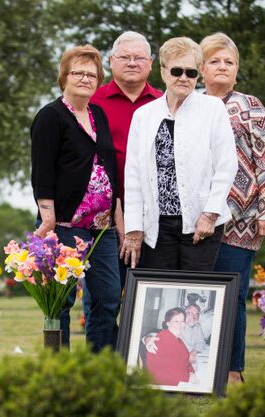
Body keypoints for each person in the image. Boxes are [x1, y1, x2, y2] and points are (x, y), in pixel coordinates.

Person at [200, 32, 265, 384]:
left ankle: (233, 369)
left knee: (232, 295)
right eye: (214, 60)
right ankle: (199, 370)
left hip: (242, 219)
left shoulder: (250, 106)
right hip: (198, 218)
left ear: (237, 70)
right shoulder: (189, 105)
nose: (222, 67)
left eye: (228, 62)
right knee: (201, 295)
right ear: (201, 68)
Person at [30, 45, 121, 352]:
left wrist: (118, 216)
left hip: (102, 229)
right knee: (61, 299)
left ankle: (101, 366)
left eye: (92, 74)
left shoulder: (98, 114)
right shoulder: (50, 116)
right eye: (78, 73)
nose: (85, 78)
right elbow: (42, 172)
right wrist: (48, 218)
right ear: (64, 77)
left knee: (108, 297)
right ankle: (61, 367)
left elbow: (109, 166)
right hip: (65, 224)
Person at [121, 37, 237, 271]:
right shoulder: (144, 116)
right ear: (163, 72)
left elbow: (227, 166)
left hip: (200, 224)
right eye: (176, 71)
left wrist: (210, 215)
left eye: (191, 73)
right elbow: (133, 175)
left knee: (194, 296)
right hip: (157, 226)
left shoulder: (213, 109)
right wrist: (133, 227)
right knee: (159, 297)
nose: (183, 78)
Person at [90, 31, 163, 289]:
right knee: (105, 297)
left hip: (154, 213)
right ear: (111, 61)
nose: (132, 63)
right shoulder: (92, 102)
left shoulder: (164, 103)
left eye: (139, 58)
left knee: (151, 290)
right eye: (125, 57)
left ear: (151, 64)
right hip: (102, 215)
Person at [142, 307, 194, 386]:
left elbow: (185, 360)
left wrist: (191, 371)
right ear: (168, 323)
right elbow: (164, 371)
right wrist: (188, 378)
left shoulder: (177, 338)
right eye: (176, 321)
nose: (180, 324)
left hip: (179, 379)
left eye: (182, 321)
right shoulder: (163, 339)